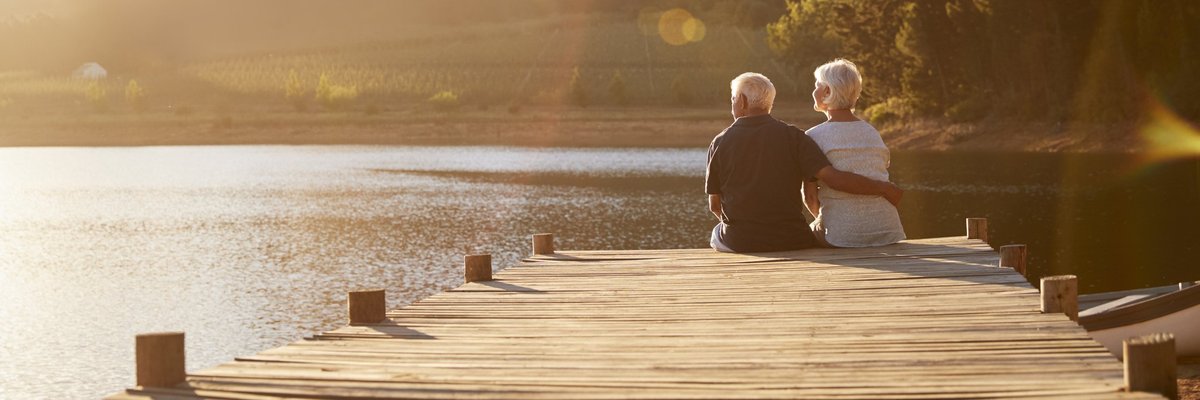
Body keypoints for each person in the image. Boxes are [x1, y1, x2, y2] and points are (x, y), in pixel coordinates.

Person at [706, 72, 901, 253]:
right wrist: (883, 188)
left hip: (741, 241)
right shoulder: (796, 137)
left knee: (716, 234)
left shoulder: (719, 142)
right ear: (769, 104)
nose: (732, 104)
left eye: (732, 99)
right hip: (792, 239)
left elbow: (715, 206)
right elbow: (829, 180)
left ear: (741, 101)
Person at [803, 59, 906, 247]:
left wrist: (829, 222)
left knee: (806, 234)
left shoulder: (812, 137)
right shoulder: (872, 132)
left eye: (817, 86)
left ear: (827, 92)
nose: (813, 91)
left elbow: (810, 197)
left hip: (842, 237)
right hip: (887, 231)